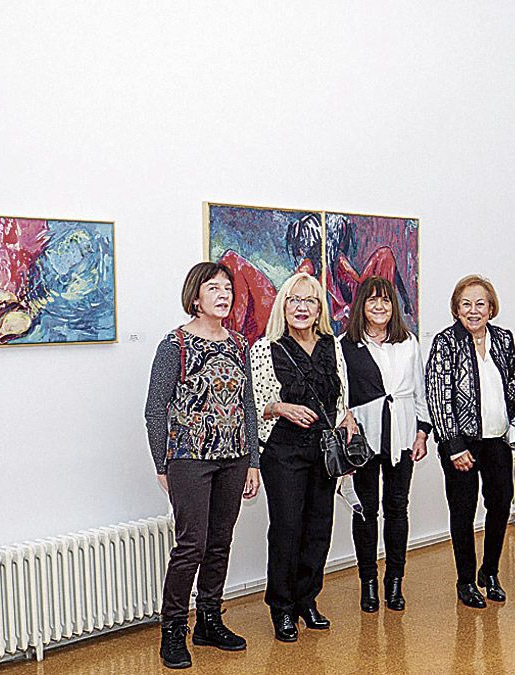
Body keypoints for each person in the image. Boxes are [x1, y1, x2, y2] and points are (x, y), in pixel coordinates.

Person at [144, 262, 261, 669]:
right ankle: (173, 628)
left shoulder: (240, 345)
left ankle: (210, 619)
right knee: (190, 545)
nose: (224, 294)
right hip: (189, 458)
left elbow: (247, 403)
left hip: (235, 457)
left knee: (220, 542)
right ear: (196, 297)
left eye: (227, 288)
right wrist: (163, 462)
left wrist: (254, 462)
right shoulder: (173, 344)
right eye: (214, 288)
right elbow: (155, 408)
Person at [250, 272, 359, 642]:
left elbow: (341, 394)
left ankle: (307, 601)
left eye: (309, 301)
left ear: (319, 309)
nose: (301, 307)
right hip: (283, 451)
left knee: (318, 528)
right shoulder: (266, 348)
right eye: (294, 300)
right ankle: (281, 609)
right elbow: (255, 404)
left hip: (324, 450)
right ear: (284, 305)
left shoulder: (332, 345)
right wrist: (283, 408)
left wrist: (346, 416)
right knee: (286, 529)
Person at [339, 275, 431, 613]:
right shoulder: (345, 345)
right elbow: (340, 396)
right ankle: (368, 583)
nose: (380, 306)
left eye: (386, 300)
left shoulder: (407, 341)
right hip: (363, 437)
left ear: (394, 306)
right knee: (366, 511)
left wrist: (422, 431)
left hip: (403, 434)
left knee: (397, 507)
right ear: (361, 305)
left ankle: (395, 581)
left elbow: (420, 390)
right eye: (373, 300)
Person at [426, 275, 515, 609]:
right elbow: (438, 395)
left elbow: (510, 385)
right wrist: (453, 444)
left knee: (501, 506)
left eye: (480, 303)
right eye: (466, 304)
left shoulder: (505, 340)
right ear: (456, 308)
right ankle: (465, 581)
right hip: (461, 443)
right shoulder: (445, 342)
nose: (474, 310)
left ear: (491, 307)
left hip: (497, 441)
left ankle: (489, 572)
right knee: (463, 513)